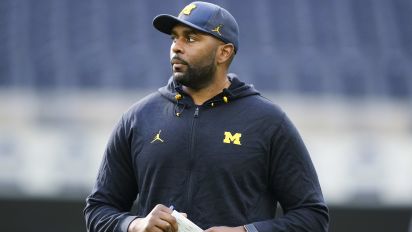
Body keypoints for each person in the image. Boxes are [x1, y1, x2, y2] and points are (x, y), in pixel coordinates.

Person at [84, 1, 329, 232]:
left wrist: (247, 231)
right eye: (174, 38)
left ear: (224, 53)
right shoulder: (138, 118)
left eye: (191, 38)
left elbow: (312, 216)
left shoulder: (269, 122)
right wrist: (136, 225)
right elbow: (98, 209)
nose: (176, 47)